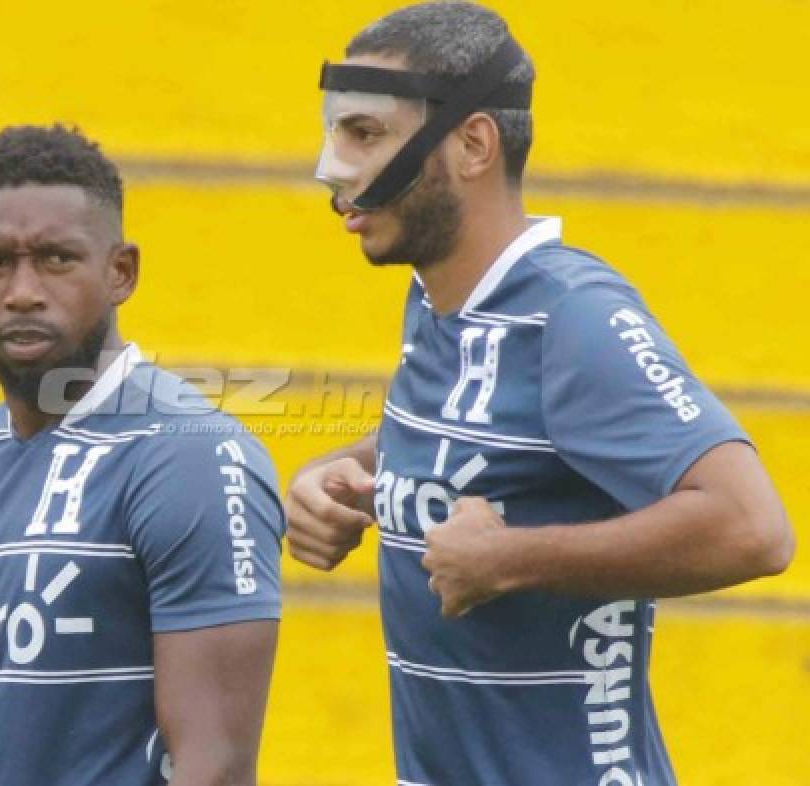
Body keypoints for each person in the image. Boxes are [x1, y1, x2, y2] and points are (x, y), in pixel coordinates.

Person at [285, 3, 795, 784]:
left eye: (366, 135)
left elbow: (754, 528)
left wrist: (511, 559)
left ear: (473, 144)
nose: (335, 169)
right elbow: (482, 440)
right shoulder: (438, 301)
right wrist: (345, 476)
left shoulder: (573, 317)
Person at [0, 124, 284, 786]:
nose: (23, 291)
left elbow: (214, 766)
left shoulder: (188, 457)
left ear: (121, 272)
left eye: (55, 259)